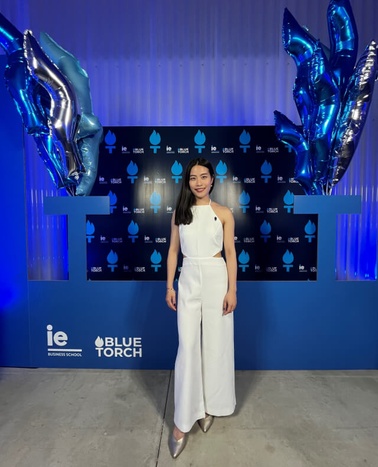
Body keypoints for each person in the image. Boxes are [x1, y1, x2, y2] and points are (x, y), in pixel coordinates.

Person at [166, 157, 237, 458]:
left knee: (215, 345)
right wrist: (170, 285)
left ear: (212, 180)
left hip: (216, 276)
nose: (198, 182)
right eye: (193, 177)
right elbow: (172, 251)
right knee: (188, 346)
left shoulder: (223, 213)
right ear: (187, 181)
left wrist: (232, 289)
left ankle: (208, 405)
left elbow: (231, 252)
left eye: (204, 177)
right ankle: (183, 419)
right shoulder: (180, 213)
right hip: (189, 279)